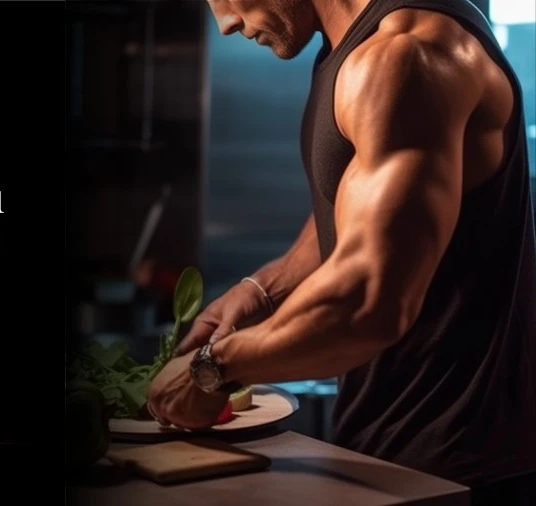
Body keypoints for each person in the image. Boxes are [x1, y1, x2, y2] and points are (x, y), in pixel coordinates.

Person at [146, 0, 536, 503]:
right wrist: (266, 288)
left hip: (458, 473)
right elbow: (364, 206)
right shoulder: (353, 45)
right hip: (388, 455)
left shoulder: (406, 55)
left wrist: (213, 368)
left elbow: (368, 302)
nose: (225, 24)